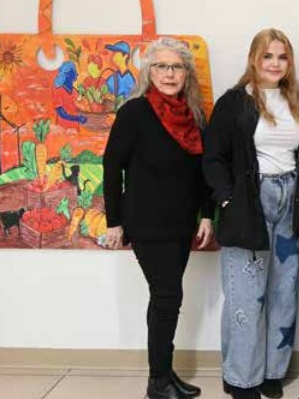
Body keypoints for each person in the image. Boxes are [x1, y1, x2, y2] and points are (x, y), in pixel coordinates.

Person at [203, 29, 299, 399]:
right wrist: (228, 200)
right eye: (268, 56)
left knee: (283, 290)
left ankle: (271, 372)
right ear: (254, 59)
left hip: (291, 199)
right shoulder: (235, 102)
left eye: (282, 57)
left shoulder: (298, 99)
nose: (275, 64)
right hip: (250, 202)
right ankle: (240, 377)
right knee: (245, 295)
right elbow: (213, 157)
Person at [103, 37, 213, 399]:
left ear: (186, 74)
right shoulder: (134, 112)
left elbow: (203, 173)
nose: (169, 73)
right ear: (149, 72)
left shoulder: (194, 116)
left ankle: (164, 374)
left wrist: (206, 215)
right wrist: (114, 222)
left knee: (167, 298)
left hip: (181, 223)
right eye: (162, 66)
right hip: (147, 223)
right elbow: (111, 166)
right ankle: (158, 382)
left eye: (177, 67)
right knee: (167, 297)